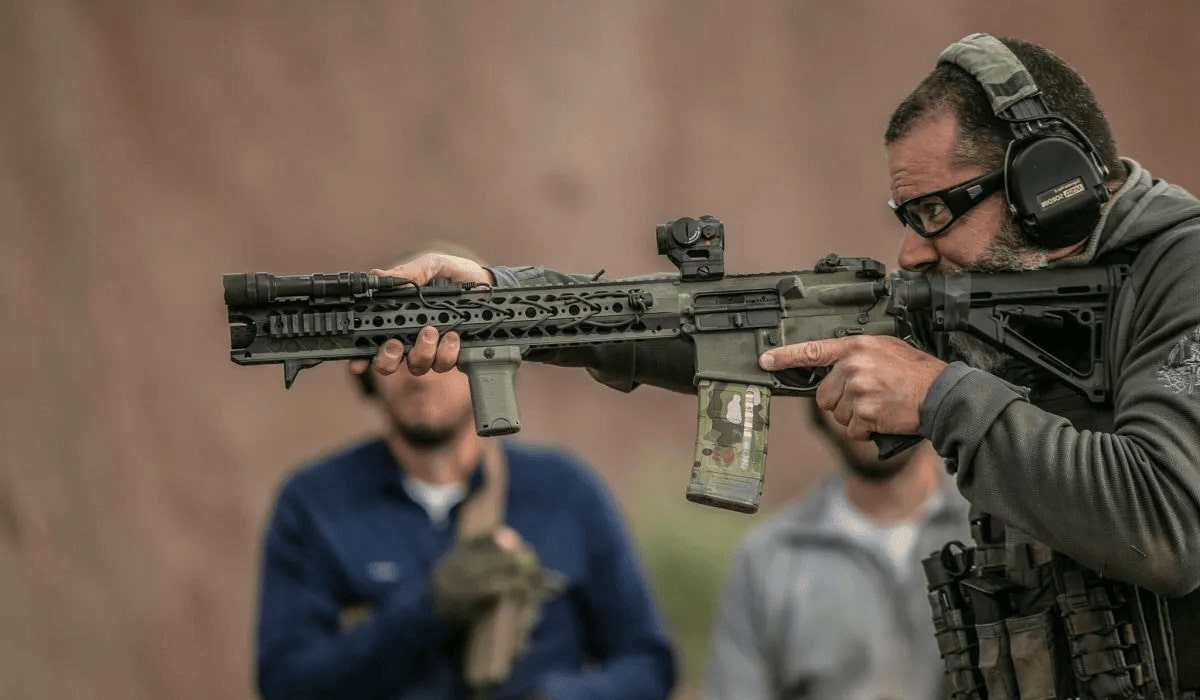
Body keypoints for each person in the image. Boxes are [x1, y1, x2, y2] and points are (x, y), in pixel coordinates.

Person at [367, 33, 1200, 698]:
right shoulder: (992, 288)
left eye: (936, 210)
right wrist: (507, 302)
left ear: (1045, 183)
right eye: (902, 215)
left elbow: (1165, 521)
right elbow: (713, 331)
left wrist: (939, 394)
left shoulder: (1181, 274)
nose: (911, 250)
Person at [253, 246, 676, 700]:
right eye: (400, 340)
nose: (424, 368)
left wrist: (560, 696)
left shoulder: (565, 493)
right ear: (366, 364)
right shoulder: (316, 505)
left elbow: (647, 663)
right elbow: (286, 682)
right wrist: (427, 608)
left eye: (446, 339)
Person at [704, 402, 970, 700]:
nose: (869, 407)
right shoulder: (768, 557)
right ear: (818, 404)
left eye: (887, 375)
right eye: (844, 380)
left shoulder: (990, 532)